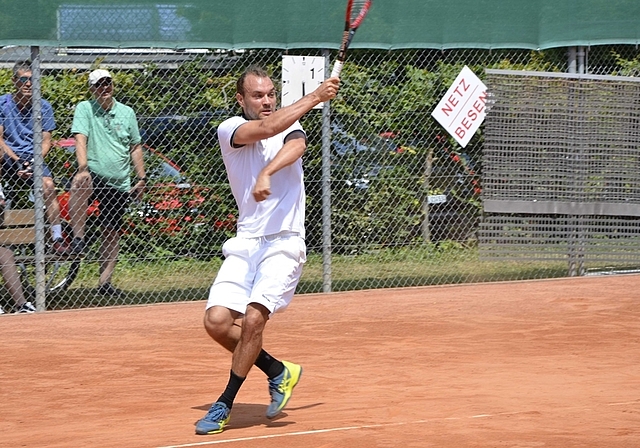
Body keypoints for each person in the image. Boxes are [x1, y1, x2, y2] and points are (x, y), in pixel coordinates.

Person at [195, 65, 339, 435]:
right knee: (216, 323)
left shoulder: (290, 122)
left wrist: (268, 172)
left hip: (285, 241)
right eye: (258, 95)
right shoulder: (230, 130)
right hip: (246, 242)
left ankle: (224, 403)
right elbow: (266, 130)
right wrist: (315, 96)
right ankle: (279, 371)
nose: (267, 101)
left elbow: (295, 144)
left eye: (271, 94)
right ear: (241, 100)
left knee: (255, 320)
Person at [67, 69, 146, 296]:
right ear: (92, 89)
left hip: (120, 181)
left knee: (111, 231)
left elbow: (135, 146)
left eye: (107, 83)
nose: (104, 88)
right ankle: (78, 239)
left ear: (113, 85)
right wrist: (82, 168)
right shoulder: (85, 108)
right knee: (80, 185)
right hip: (94, 172)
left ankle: (104, 284)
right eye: (99, 84)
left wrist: (141, 179)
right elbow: (80, 138)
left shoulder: (127, 112)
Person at [0, 60, 67, 254]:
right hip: (8, 156)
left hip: (33, 158)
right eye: (24, 79)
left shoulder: (44, 107)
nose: (29, 84)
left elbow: (46, 141)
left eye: (33, 79)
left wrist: (33, 162)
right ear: (14, 81)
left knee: (49, 186)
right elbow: (0, 139)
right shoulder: (3, 103)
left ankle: (57, 237)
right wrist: (17, 160)